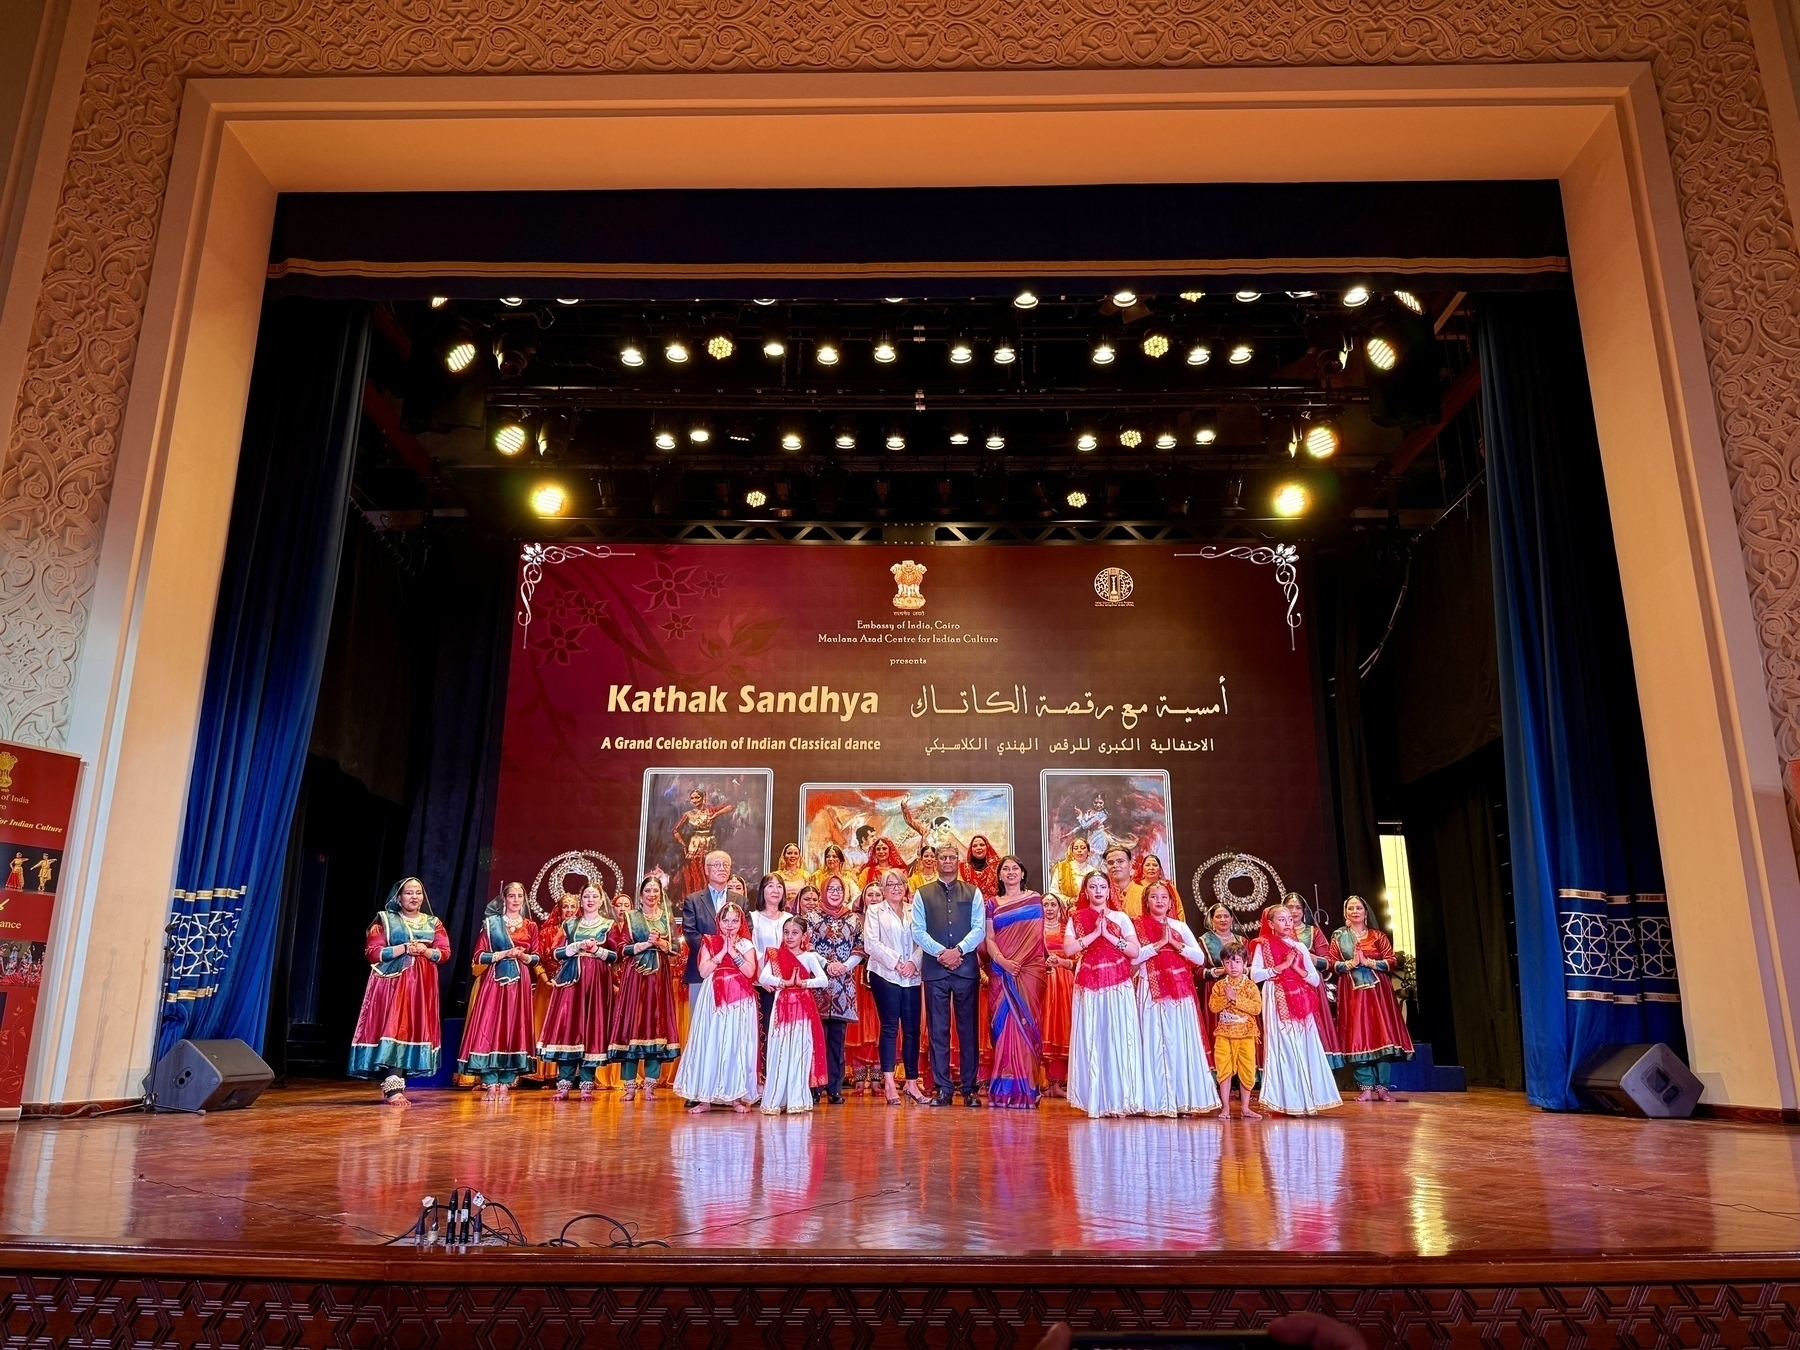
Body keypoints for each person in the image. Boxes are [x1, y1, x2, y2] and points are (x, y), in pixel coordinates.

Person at [348, 877, 450, 1105]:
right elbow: (373, 952)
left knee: (411, 1029)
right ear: (399, 897)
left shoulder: (433, 923)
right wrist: (404, 947)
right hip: (391, 984)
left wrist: (425, 951)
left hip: (421, 986)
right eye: (409, 893)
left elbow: (444, 952)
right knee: (394, 1027)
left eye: (418, 893)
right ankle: (393, 1087)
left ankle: (397, 1082)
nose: (414, 897)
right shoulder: (385, 921)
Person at [1132, 879, 1220, 1117]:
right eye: (1154, 897)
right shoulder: (1137, 925)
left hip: (1180, 991)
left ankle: (1184, 1100)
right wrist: (1159, 944)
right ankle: (1155, 1102)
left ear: (1171, 902)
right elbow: (1133, 958)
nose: (1159, 901)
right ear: (1146, 901)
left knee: (1180, 1042)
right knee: (1154, 1041)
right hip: (1151, 989)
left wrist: (1176, 945)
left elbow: (1199, 958)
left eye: (1164, 897)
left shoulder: (1179, 926)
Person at [1062, 870, 1145, 1118]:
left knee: (1117, 1036)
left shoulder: (1121, 918)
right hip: (1089, 983)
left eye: (1102, 886)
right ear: (1085, 891)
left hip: (1118, 983)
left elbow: (1134, 951)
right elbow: (1069, 949)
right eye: (1093, 887)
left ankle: (1119, 1099)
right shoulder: (1076, 918)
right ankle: (1095, 1100)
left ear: (1109, 891)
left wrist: (1108, 935)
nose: (1098, 891)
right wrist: (1094, 935)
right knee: (1093, 1034)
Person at [913, 842, 987, 1107]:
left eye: (951, 856)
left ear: (958, 860)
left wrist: (959, 951)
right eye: (942, 857)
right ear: (935, 861)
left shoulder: (973, 892)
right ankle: (943, 1087)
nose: (946, 861)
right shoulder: (921, 894)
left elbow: (979, 929)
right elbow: (918, 931)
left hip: (965, 970)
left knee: (968, 1031)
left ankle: (969, 1088)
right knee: (938, 1031)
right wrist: (942, 953)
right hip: (935, 970)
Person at [1250, 903, 1342, 1116]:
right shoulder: (1262, 945)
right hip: (1277, 996)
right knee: (1284, 1045)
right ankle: (1287, 1101)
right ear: (1270, 924)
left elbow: (1314, 980)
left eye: (1289, 919)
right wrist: (1279, 968)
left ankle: (1310, 1099)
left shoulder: (1299, 947)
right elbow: (1255, 975)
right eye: (1281, 919)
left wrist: (1298, 969)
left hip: (1301, 999)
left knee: (1305, 1045)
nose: (1287, 923)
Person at [674, 900, 762, 1113]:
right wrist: (723, 951)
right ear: (719, 922)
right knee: (710, 1042)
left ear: (741, 922)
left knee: (736, 1044)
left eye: (735, 920)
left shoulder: (746, 944)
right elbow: (704, 972)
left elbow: (750, 972)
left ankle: (736, 1098)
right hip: (712, 997)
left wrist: (734, 953)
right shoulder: (709, 941)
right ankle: (704, 1098)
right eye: (726, 920)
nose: (730, 925)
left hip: (739, 1000)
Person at [1330, 895, 1415, 1101]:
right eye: (1351, 908)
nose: (1355, 911)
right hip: (1352, 993)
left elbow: (1392, 961)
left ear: (1366, 913)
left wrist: (1369, 963)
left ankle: (1383, 1087)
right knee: (1358, 1037)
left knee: (1381, 1034)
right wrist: (1349, 964)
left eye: (1359, 908)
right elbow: (1332, 963)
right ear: (1345, 913)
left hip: (1378, 994)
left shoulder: (1377, 936)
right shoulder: (1339, 937)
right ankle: (1366, 1088)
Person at [459, 882, 540, 1098]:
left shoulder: (530, 926)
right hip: (494, 982)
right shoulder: (491, 924)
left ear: (524, 900)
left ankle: (505, 1083)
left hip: (519, 984)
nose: (515, 900)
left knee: (513, 1027)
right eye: (511, 896)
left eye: (519, 896)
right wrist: (503, 954)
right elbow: (479, 956)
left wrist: (522, 956)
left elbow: (537, 956)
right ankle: (490, 1083)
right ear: (503, 899)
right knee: (490, 1026)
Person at [538, 884, 617, 1098]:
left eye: (594, 896)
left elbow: (616, 955)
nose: (590, 899)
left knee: (593, 1027)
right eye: (586, 896)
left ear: (601, 900)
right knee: (569, 1027)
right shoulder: (570, 924)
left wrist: (597, 950)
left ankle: (587, 1084)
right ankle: (564, 1084)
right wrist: (573, 948)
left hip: (597, 983)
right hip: (571, 983)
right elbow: (555, 953)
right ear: (581, 900)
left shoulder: (609, 925)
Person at [608, 876, 680, 1102]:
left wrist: (661, 944)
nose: (652, 894)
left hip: (659, 980)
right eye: (647, 890)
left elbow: (676, 949)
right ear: (640, 895)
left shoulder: (667, 917)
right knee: (632, 1026)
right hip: (635, 979)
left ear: (661, 894)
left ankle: (650, 1085)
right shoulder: (631, 917)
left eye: (655, 890)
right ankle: (629, 1086)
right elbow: (620, 949)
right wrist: (644, 944)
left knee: (655, 1026)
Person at [984, 854, 1047, 1109]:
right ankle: (1005, 1085)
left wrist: (1016, 963)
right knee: (1004, 1026)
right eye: (1005, 869)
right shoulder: (992, 903)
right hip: (1002, 971)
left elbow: (1036, 936)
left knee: (1025, 1025)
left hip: (1028, 971)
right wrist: (1002, 961)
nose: (1010, 872)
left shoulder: (1034, 899)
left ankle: (1028, 1087)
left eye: (1015, 868)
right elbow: (989, 938)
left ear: (1022, 874)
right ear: (999, 875)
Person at [862, 865, 927, 1104]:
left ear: (906, 886)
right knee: (890, 1027)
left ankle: (911, 1083)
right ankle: (889, 1083)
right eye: (890, 884)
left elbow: (923, 941)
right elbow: (871, 944)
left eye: (899, 883)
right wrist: (898, 962)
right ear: (883, 888)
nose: (896, 888)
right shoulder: (875, 910)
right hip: (885, 974)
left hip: (912, 974)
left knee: (912, 1030)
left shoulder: (914, 910)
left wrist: (912, 962)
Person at [760, 915, 829, 1113]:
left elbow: (823, 980)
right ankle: (775, 1099)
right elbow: (763, 976)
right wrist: (784, 983)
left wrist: (803, 983)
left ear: (804, 936)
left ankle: (797, 1099)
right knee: (779, 1050)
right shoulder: (775, 955)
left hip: (802, 1010)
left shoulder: (809, 957)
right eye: (786, 932)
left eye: (795, 933)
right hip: (781, 1008)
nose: (790, 937)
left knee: (800, 1051)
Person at [805, 874, 864, 1103]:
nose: (836, 893)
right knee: (816, 1037)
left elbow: (860, 947)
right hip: (818, 982)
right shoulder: (810, 917)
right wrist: (827, 965)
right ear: (823, 891)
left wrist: (844, 966)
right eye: (831, 889)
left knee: (837, 1040)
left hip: (842, 986)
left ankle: (835, 1088)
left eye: (839, 889)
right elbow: (806, 946)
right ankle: (815, 1087)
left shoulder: (853, 919)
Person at [1284, 892, 1344, 1063]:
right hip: (1286, 984)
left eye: (1298, 908)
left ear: (1304, 911)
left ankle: (1318, 1065)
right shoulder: (1277, 932)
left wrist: (1307, 956)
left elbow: (1329, 962)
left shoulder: (1313, 932)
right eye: (1290, 907)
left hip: (1310, 984)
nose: (1294, 911)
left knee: (1313, 1024)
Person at [1210, 940, 1263, 1119]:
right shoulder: (1219, 986)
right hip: (1224, 1034)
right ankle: (1225, 1107)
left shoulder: (1250, 986)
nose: (1233, 966)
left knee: (1247, 1070)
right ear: (1223, 964)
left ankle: (1246, 1108)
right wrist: (1227, 998)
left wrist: (1235, 998)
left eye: (1237, 961)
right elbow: (1213, 1007)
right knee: (1224, 1070)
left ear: (1245, 963)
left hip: (1247, 1034)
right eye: (1228, 962)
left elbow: (1257, 1008)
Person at [750, 872, 790, 1061]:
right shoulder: (753, 918)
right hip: (761, 985)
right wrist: (761, 977)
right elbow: (751, 950)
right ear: (762, 891)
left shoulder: (790, 919)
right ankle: (762, 1075)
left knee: (783, 1031)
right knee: (763, 1028)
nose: (776, 890)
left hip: (786, 984)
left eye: (779, 886)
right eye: (771, 886)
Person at [1040, 894, 1075, 1097]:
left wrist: (1060, 961)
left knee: (1062, 1028)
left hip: (1064, 984)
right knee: (1043, 1028)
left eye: (1053, 904)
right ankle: (1043, 1083)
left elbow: (1075, 956)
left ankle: (1058, 1083)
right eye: (1045, 905)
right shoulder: (1035, 929)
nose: (1050, 908)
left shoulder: (1066, 929)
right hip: (1042, 982)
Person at [674, 788, 738, 897]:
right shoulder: (688, 814)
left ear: (703, 798)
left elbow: (730, 807)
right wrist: (683, 843)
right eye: (692, 798)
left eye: (697, 797)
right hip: (695, 843)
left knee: (710, 869)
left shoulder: (710, 811)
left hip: (710, 843)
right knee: (695, 870)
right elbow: (675, 830)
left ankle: (712, 896)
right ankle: (697, 897)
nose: (694, 800)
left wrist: (716, 814)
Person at [1197, 903, 1237, 1041]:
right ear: (1212, 920)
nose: (1223, 919)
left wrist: (1239, 970)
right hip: (1216, 989)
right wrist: (1218, 972)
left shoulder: (1242, 940)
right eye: (1218, 916)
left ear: (1232, 919)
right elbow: (1198, 971)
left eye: (1226, 916)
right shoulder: (1205, 941)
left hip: (1240, 988)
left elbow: (1251, 967)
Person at [1135, 852, 1184, 921]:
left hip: (1167, 926)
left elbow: (1179, 910)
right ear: (1142, 869)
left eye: (1155, 865)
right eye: (1147, 865)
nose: (1151, 868)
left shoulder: (1168, 887)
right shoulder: (1134, 887)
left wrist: (1179, 928)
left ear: (1160, 870)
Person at [1048, 837, 1094, 906]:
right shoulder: (1062, 868)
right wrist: (1069, 901)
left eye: (1082, 848)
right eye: (1076, 848)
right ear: (1072, 852)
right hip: (1066, 910)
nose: (1079, 850)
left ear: (1088, 852)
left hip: (1088, 910)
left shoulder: (1093, 871)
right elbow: (1053, 892)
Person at [813, 843, 862, 907]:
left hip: (843, 911)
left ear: (841, 859)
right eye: (828, 856)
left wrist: (847, 909)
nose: (830, 859)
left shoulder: (847, 877)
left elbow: (856, 896)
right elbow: (811, 896)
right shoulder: (817, 876)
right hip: (821, 911)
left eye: (834, 856)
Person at [1104, 845, 1146, 918]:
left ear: (1130, 865)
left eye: (1120, 861)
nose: (1115, 865)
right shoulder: (1102, 893)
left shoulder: (1144, 893)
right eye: (1110, 863)